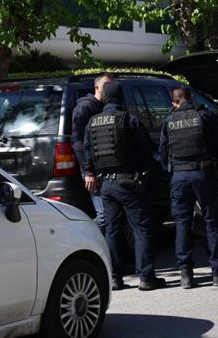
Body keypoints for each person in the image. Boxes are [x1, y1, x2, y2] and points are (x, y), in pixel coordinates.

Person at [82, 80, 166, 291]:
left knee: (112, 231)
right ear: (120, 97)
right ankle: (146, 277)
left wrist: (90, 172)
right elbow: (146, 152)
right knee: (141, 229)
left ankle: (114, 278)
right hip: (129, 182)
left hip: (105, 185)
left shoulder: (92, 122)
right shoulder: (128, 120)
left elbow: (87, 151)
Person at [158, 87, 218, 289]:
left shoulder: (169, 120)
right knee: (212, 222)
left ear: (174, 103)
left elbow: (163, 152)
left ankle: (186, 274)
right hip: (203, 174)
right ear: (191, 98)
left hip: (179, 176)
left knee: (182, 224)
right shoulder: (205, 115)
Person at [72, 72, 112, 233]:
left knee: (110, 215)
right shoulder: (85, 107)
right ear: (97, 87)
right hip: (92, 169)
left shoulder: (105, 107)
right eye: (106, 85)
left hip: (104, 166)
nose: (109, 89)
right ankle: (82, 239)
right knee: (103, 216)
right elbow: (78, 142)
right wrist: (88, 172)